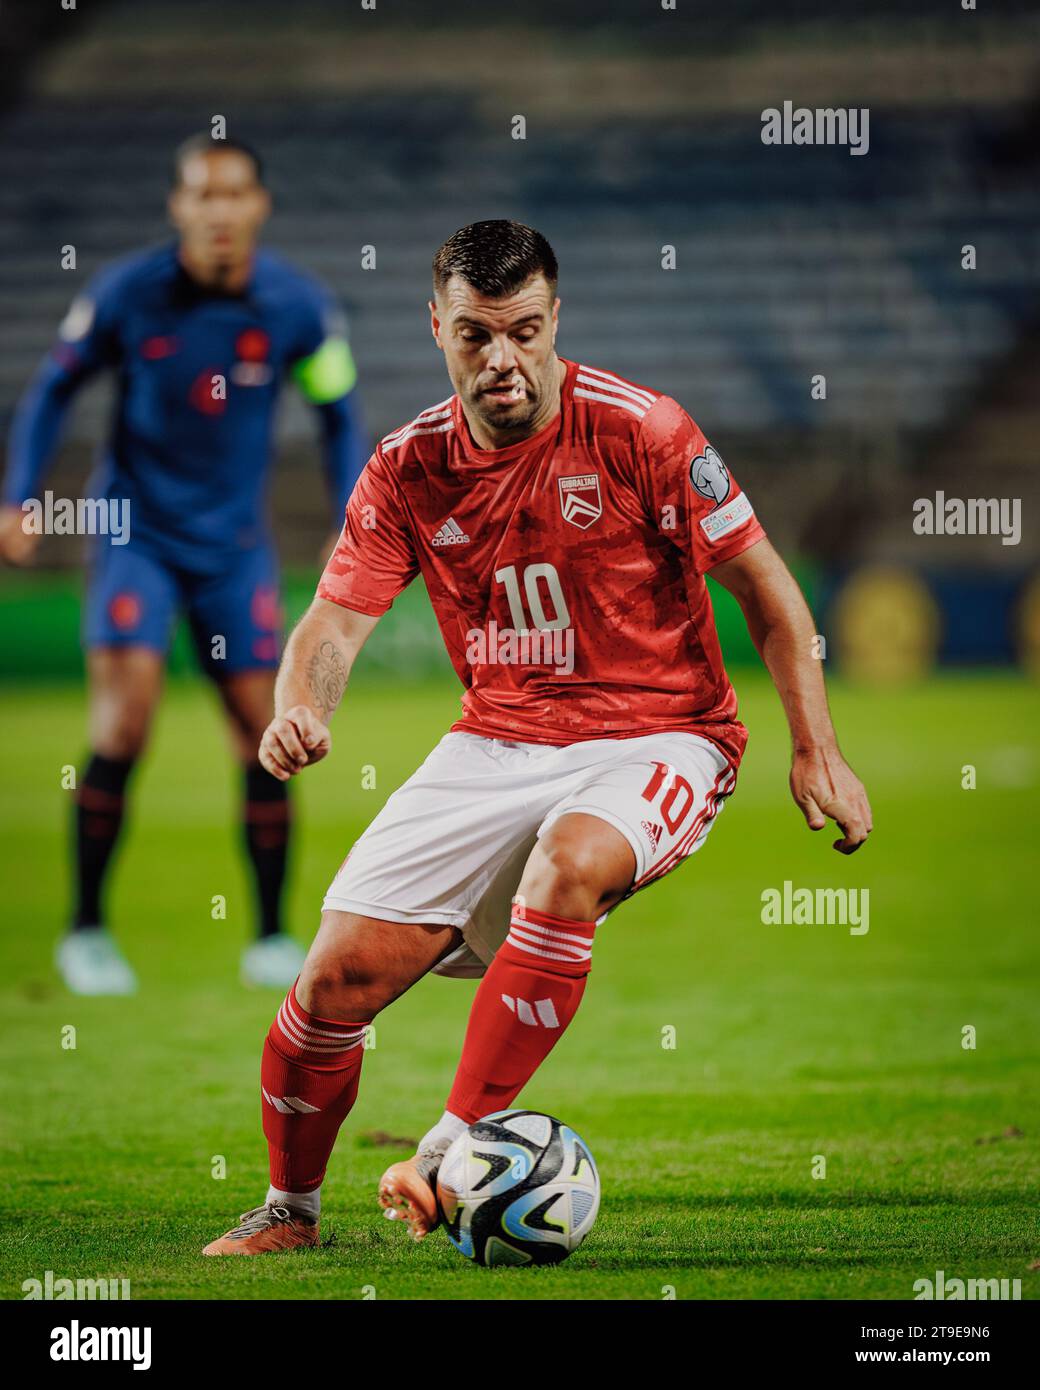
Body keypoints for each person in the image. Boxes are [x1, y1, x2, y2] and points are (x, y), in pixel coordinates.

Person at [201, 219, 871, 1256]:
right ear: (436, 328)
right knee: (329, 986)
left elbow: (766, 589)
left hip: (664, 732)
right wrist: (304, 709)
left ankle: (450, 1147)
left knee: (568, 863)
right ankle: (290, 1212)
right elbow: (331, 624)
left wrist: (813, 745)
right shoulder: (407, 466)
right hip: (497, 740)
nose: (500, 359)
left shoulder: (642, 431)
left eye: (521, 330)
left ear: (555, 318)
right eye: (474, 335)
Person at [0, 135, 367, 994]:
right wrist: (20, 494)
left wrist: (354, 513)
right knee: (123, 725)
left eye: (233, 193)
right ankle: (86, 932)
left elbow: (340, 411)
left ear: (258, 207)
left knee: (264, 735)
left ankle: (272, 937)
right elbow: (54, 387)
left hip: (234, 550)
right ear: (178, 208)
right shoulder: (127, 296)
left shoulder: (300, 308)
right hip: (136, 535)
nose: (218, 211)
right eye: (201, 195)